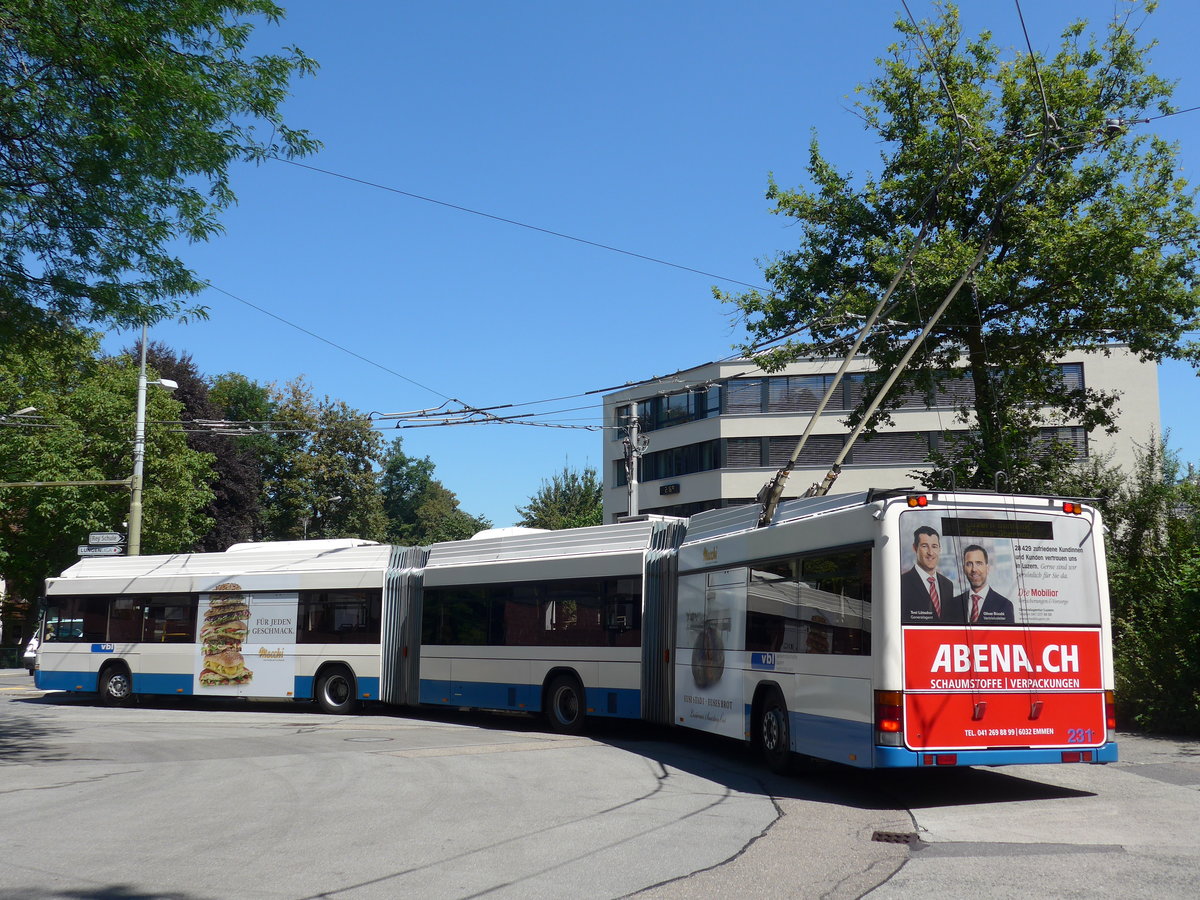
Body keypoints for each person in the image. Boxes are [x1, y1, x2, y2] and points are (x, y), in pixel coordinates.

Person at [900, 525, 959, 623]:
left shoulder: (948, 585)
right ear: (915, 548)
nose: (930, 552)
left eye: (934, 546)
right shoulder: (902, 583)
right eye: (924, 546)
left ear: (940, 549)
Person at [953, 544, 1014, 624]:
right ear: (964, 569)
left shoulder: (1005, 606)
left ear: (987, 568)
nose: (974, 569)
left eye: (979, 563)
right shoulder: (953, 604)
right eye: (969, 564)